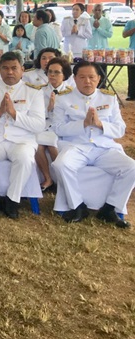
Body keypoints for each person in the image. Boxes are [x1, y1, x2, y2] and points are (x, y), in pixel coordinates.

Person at [51, 61, 135, 228]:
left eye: (91, 77)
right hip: (77, 146)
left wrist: (100, 124)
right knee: (60, 165)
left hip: (104, 148)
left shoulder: (109, 98)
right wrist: (83, 124)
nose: (87, 81)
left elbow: (120, 129)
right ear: (75, 78)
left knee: (131, 167)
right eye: (82, 77)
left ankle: (110, 207)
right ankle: (77, 206)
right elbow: (58, 128)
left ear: (99, 79)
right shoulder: (63, 98)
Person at [0, 51, 46, 218]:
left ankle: (12, 200)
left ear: (22, 70)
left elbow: (38, 125)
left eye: (14, 68)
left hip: (21, 140)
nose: (10, 72)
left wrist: (14, 114)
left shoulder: (33, 92)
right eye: (5, 68)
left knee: (25, 158)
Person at [34, 56, 73, 192]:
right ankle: (48, 178)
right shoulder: (39, 91)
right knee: (38, 146)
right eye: (50, 72)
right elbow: (35, 113)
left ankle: (61, 180)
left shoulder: (71, 92)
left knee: (52, 144)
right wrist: (49, 108)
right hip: (44, 125)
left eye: (57, 72)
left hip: (62, 126)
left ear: (64, 75)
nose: (52, 75)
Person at [125, 14, 135, 101]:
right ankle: (131, 94)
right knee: (132, 74)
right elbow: (124, 34)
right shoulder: (130, 23)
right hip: (132, 51)